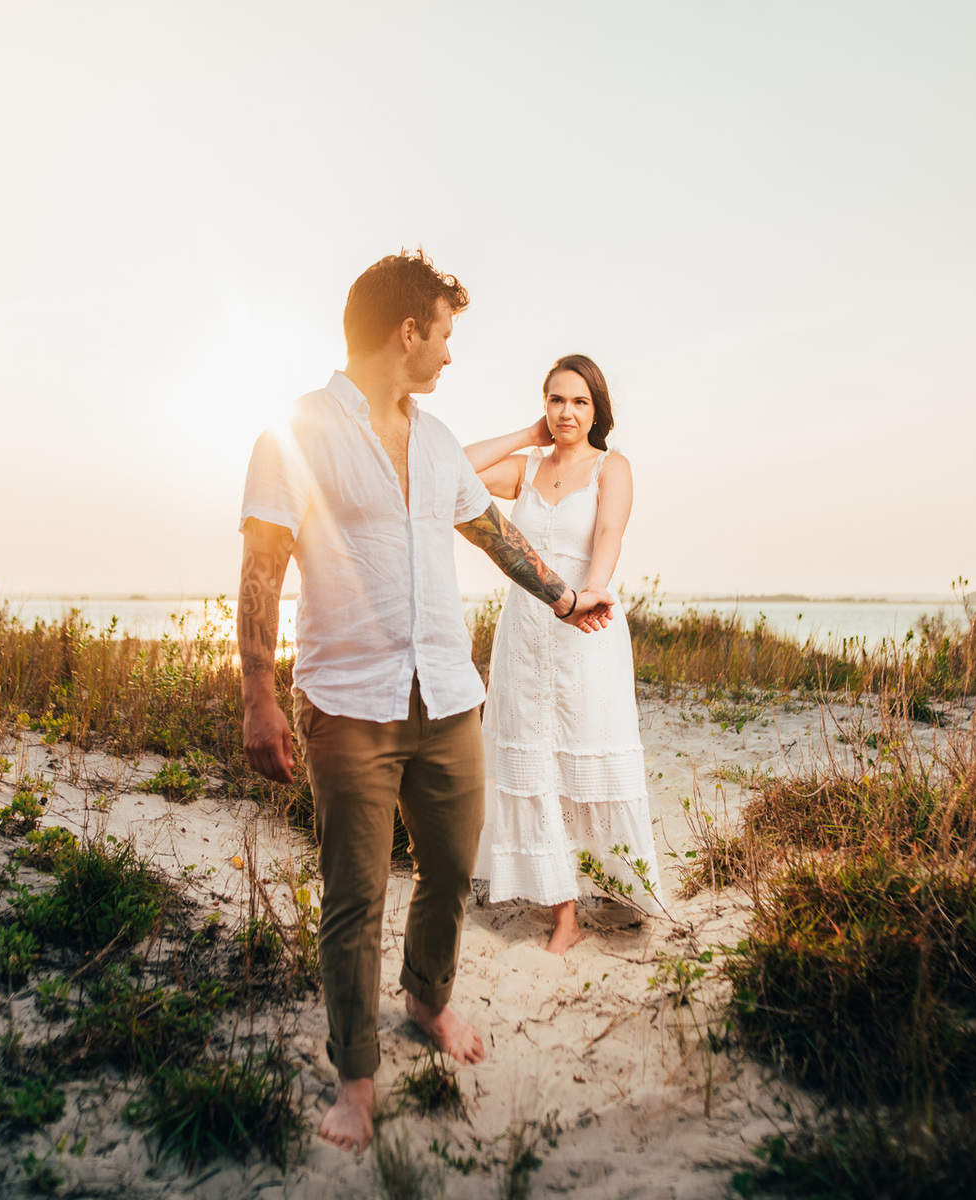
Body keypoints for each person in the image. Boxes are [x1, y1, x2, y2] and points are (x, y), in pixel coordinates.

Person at [236, 251, 615, 1154]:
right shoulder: (294, 433)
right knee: (354, 897)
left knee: (449, 871)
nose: (449, 354)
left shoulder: (439, 441)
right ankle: (356, 1079)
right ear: (407, 331)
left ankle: (427, 1002)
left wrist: (564, 597)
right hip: (348, 704)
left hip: (447, 698)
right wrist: (257, 693)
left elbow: (491, 533)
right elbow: (260, 569)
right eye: (444, 334)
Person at [462, 355, 661, 955]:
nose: (567, 412)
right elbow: (453, 470)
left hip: (585, 626)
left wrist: (591, 593)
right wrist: (527, 436)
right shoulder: (525, 469)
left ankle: (603, 887)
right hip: (525, 631)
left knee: (583, 753)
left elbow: (609, 534)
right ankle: (563, 911)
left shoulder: (612, 466)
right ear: (544, 406)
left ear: (596, 409)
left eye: (579, 401)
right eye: (556, 400)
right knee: (535, 765)